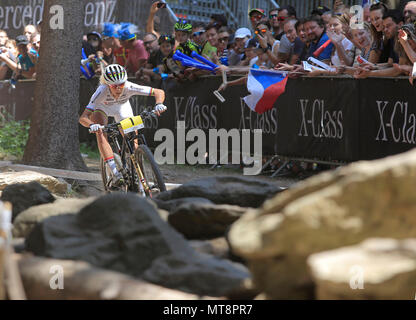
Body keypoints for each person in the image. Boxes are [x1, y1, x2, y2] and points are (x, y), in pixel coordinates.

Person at [79, 64, 167, 186]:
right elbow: (83, 117)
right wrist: (91, 125)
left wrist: (159, 104)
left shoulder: (129, 86)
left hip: (122, 107)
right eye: (115, 86)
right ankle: (115, 172)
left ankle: (136, 169)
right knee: (100, 132)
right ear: (108, 85)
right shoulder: (101, 91)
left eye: (121, 84)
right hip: (102, 108)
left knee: (132, 138)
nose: (119, 88)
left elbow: (158, 92)